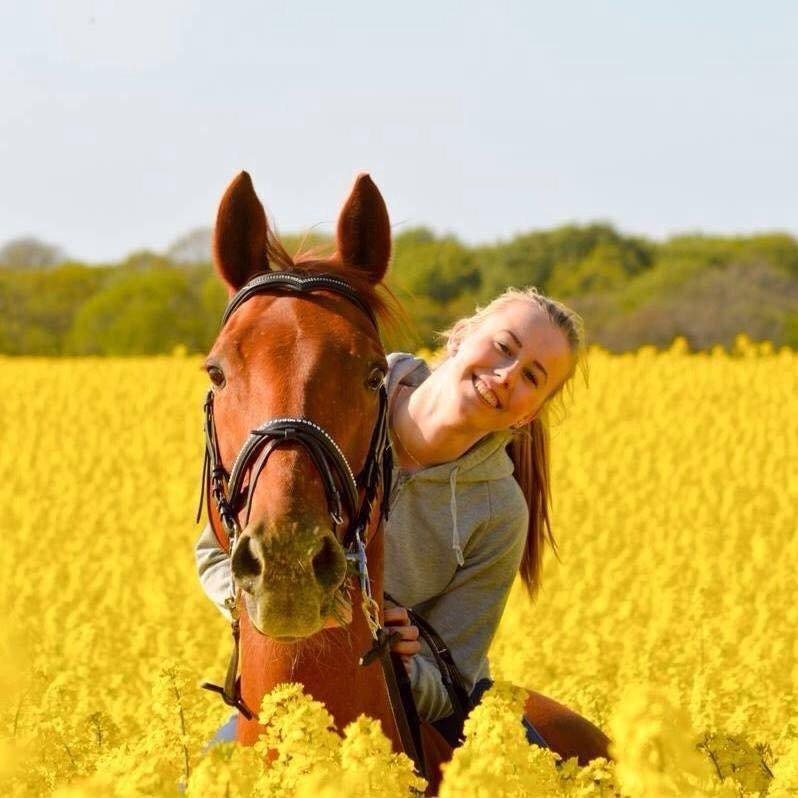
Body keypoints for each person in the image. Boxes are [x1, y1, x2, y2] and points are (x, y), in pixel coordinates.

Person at [196, 285, 589, 750]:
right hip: (285, 685)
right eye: (504, 347)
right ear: (460, 336)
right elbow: (215, 553)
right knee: (199, 776)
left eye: (531, 377)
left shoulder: (500, 511)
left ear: (530, 415)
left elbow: (454, 680)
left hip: (407, 705)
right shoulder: (339, 406)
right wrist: (271, 596)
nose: (506, 375)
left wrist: (400, 659)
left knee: (536, 771)